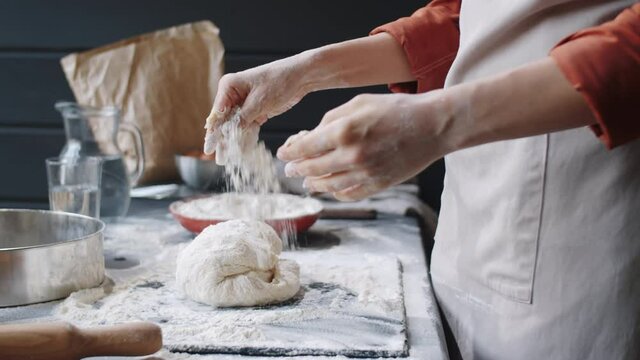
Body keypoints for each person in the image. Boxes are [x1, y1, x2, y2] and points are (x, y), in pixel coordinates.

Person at [206, 1, 640, 359]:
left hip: (578, 234)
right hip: (474, 219)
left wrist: (440, 122)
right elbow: (469, 17)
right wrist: (305, 70)